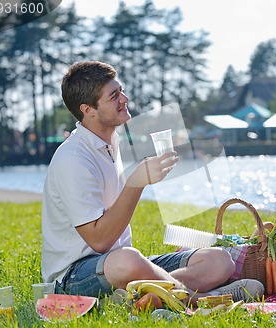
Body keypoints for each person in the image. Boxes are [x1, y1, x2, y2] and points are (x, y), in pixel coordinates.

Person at [41, 61, 263, 305]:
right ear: (88, 110)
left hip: (115, 262)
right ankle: (201, 300)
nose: (125, 98)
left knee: (219, 259)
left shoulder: (110, 143)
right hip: (75, 276)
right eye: (114, 96)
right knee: (128, 260)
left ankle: (145, 298)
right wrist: (136, 183)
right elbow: (99, 241)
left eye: (121, 90)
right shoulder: (74, 157)